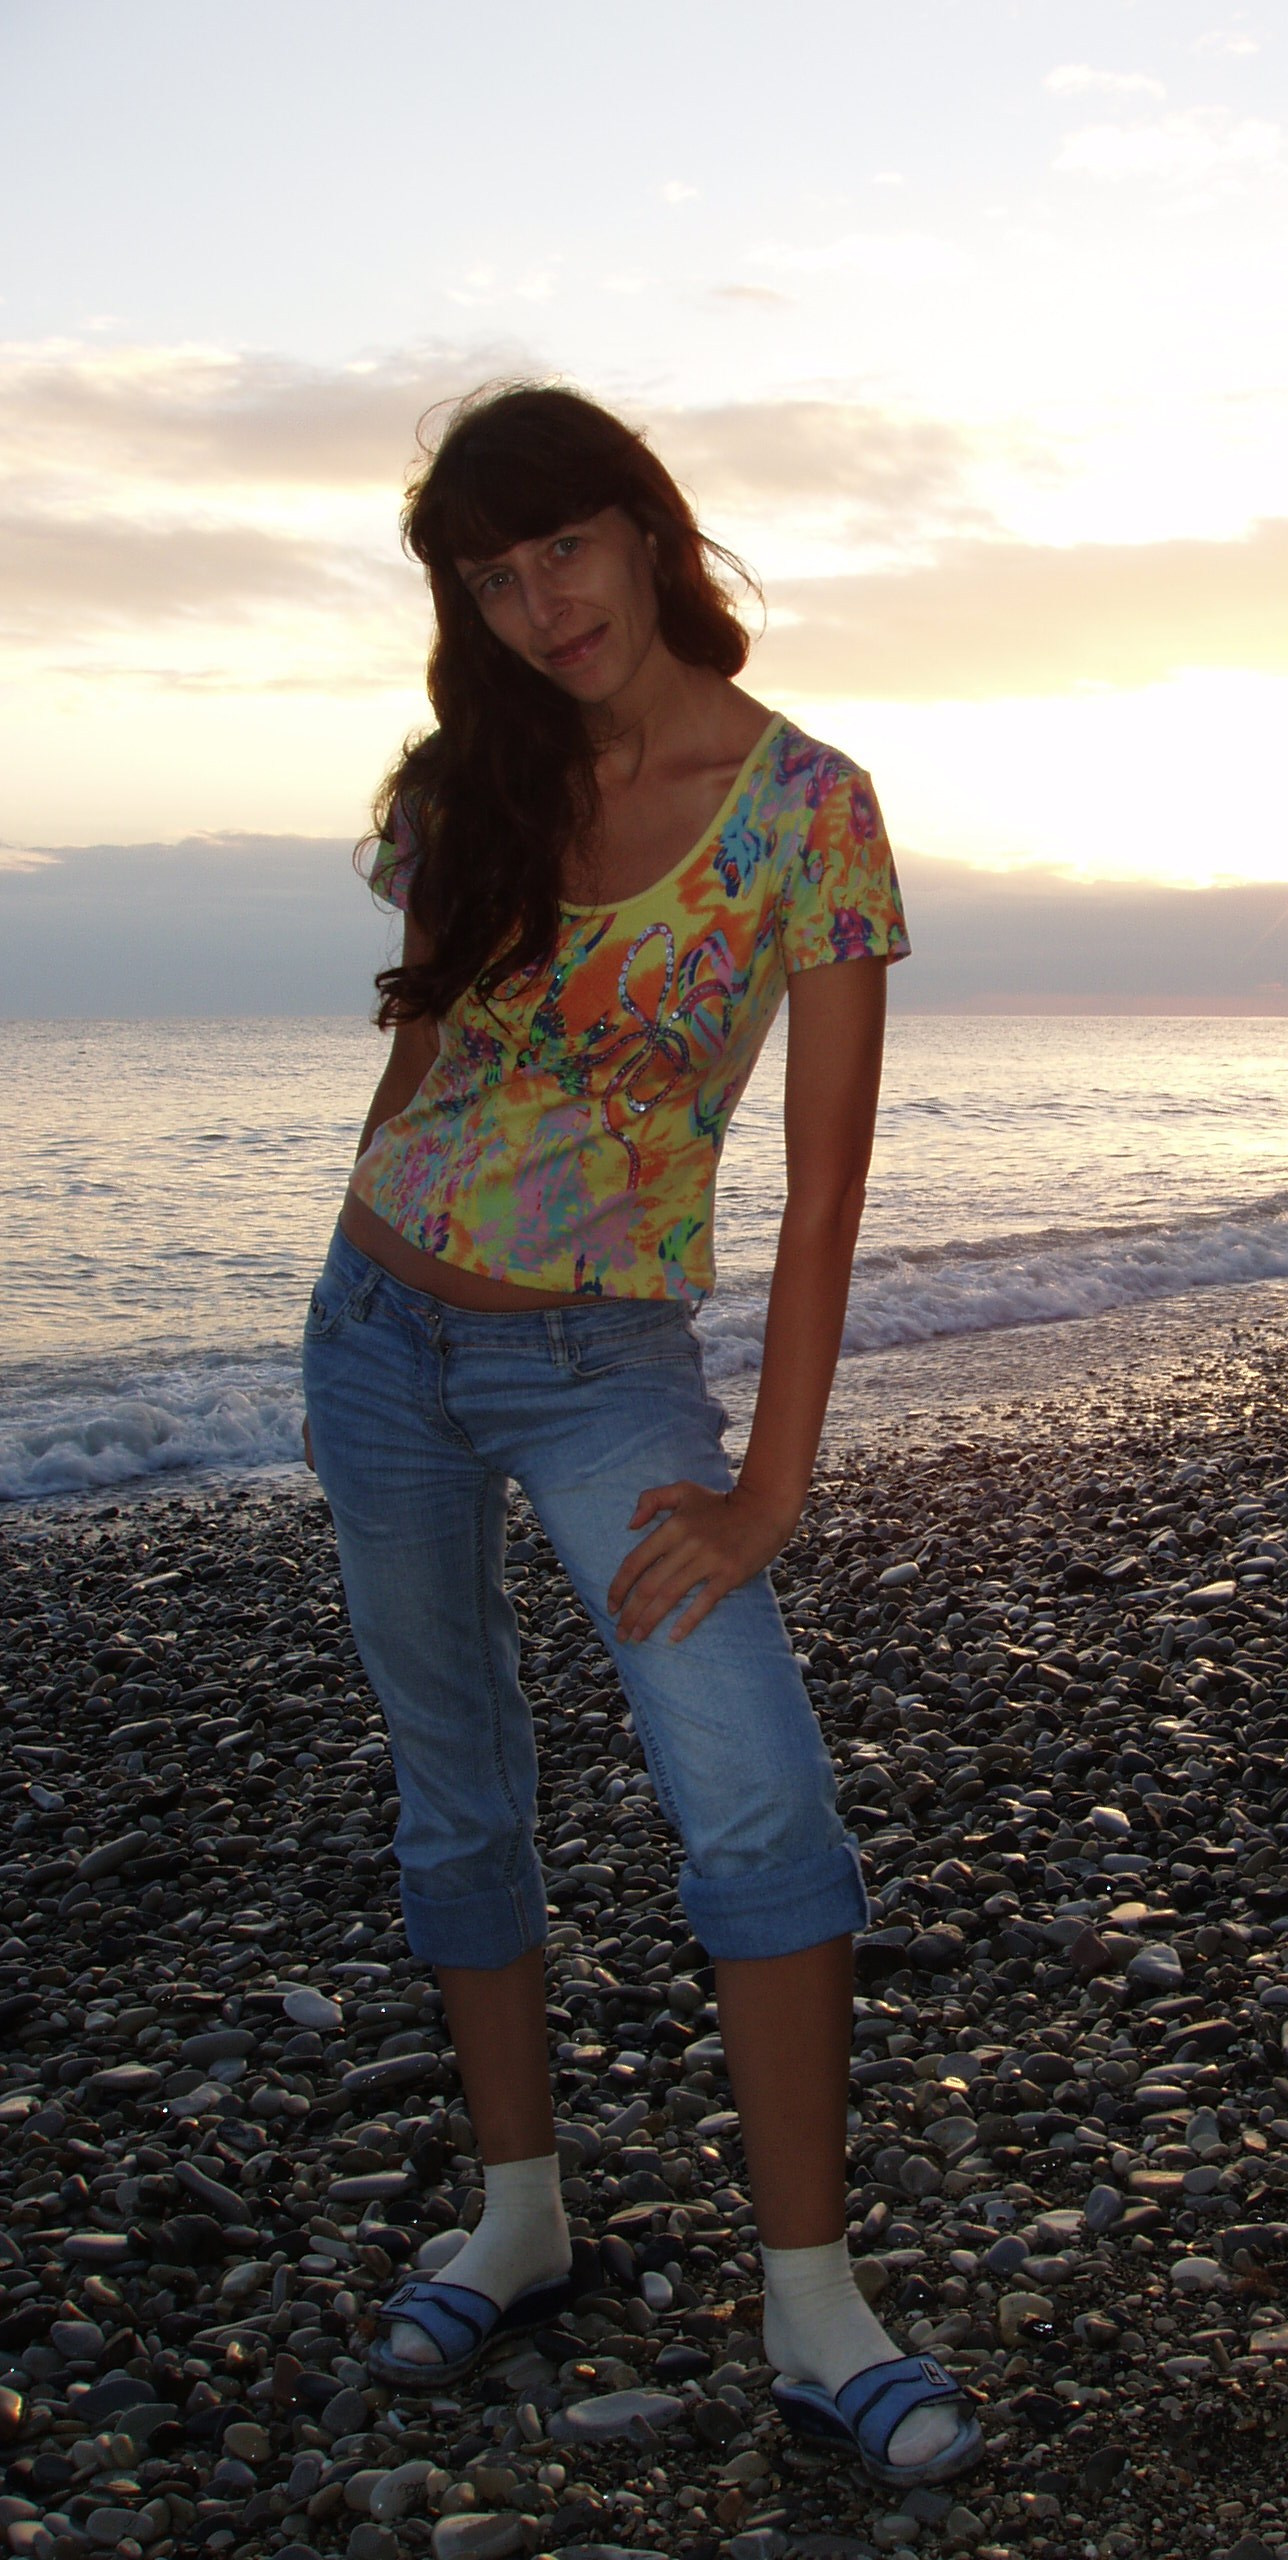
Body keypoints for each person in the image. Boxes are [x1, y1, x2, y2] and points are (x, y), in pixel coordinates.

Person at [299, 382, 980, 2490]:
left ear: (647, 531)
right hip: (377, 1335)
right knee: (456, 1781)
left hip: (602, 1366)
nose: (540, 604)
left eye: (564, 550)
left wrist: (771, 1486)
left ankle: (816, 2303)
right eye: (491, 578)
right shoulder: (471, 781)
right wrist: (362, 1275)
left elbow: (826, 1189)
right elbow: (422, 1060)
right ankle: (519, 2213)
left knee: (756, 1801)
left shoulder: (808, 811)